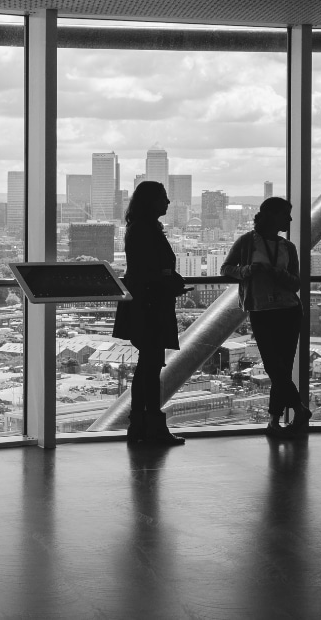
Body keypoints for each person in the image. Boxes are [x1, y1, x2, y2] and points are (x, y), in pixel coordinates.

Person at [221, 197, 309, 438]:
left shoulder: (288, 247)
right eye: (285, 214)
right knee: (275, 366)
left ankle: (274, 421)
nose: (290, 219)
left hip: (288, 310)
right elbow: (226, 269)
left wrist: (274, 272)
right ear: (272, 216)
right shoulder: (247, 242)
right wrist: (248, 270)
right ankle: (298, 409)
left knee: (281, 367)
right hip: (263, 310)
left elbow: (295, 283)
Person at [112, 181, 190, 446]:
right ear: (151, 202)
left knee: (147, 367)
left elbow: (143, 269)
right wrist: (169, 282)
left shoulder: (138, 228)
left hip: (143, 304)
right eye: (164, 198)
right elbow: (150, 270)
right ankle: (152, 427)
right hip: (151, 306)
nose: (168, 203)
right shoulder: (146, 229)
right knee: (150, 367)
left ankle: (140, 426)